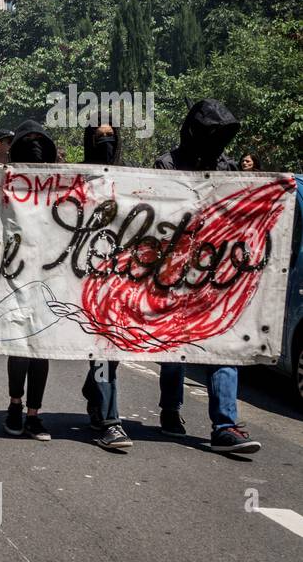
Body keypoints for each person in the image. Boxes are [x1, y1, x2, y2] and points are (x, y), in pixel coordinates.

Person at [153, 100, 261, 453]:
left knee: (222, 346)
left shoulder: (227, 167)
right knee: (174, 346)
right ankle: (170, 409)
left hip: (217, 275)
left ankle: (225, 425)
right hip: (173, 272)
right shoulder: (166, 165)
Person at [78, 122, 133, 450]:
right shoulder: (78, 179)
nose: (106, 142)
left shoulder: (130, 180)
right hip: (83, 281)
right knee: (103, 350)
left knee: (109, 354)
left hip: (121, 282)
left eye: (110, 137)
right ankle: (111, 422)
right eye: (99, 139)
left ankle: (94, 391)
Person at [3, 120, 56, 441]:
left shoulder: (59, 182)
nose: (35, 145)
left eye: (40, 140)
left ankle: (34, 414)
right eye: (29, 140)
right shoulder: (4, 181)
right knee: (20, 345)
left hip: (51, 274)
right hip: (14, 275)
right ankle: (14, 405)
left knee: (41, 348)